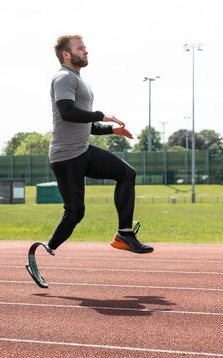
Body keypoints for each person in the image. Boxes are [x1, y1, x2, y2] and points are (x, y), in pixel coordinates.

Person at [46, 34, 153, 255]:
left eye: (85, 48)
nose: (86, 51)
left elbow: (87, 125)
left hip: (82, 150)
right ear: (66, 54)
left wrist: (112, 129)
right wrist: (101, 115)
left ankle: (124, 234)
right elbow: (67, 113)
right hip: (66, 156)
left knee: (126, 173)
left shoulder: (79, 81)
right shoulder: (63, 78)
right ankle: (48, 248)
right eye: (80, 48)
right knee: (75, 213)